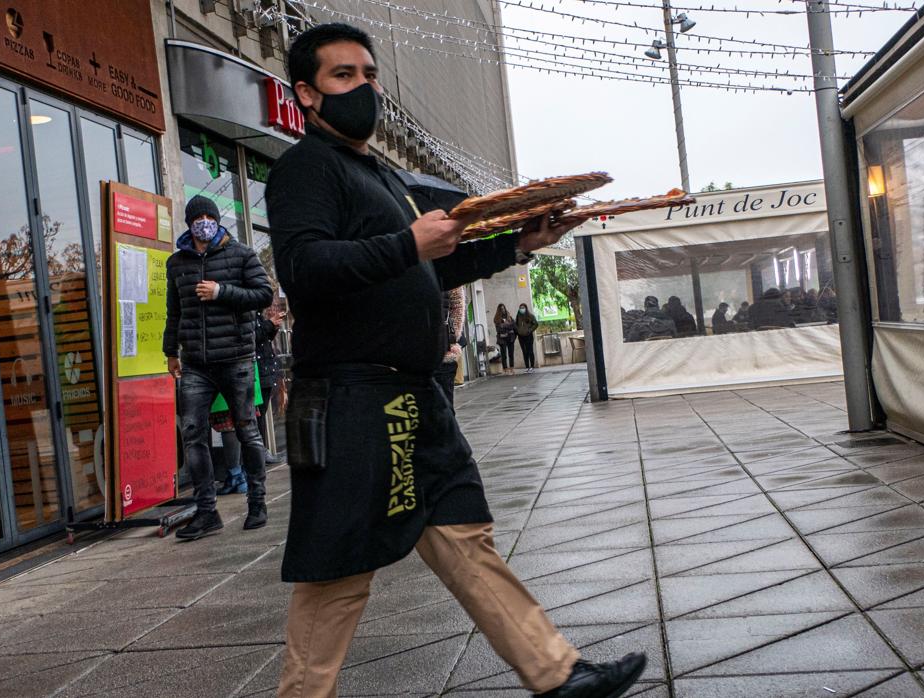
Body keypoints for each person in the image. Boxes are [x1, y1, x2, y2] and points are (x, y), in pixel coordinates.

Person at [267, 23, 645, 698]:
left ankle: (555, 673)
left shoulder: (379, 175)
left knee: (465, 535)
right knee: (340, 574)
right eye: (343, 76)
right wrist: (408, 244)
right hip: (353, 402)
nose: (365, 87)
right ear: (306, 93)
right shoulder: (306, 170)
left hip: (415, 398)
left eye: (369, 73)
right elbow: (304, 269)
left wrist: (524, 243)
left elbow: (430, 269)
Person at [164, 195, 273, 539]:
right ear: (189, 223)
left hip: (236, 358)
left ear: (216, 220)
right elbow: (174, 311)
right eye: (199, 218)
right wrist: (171, 352)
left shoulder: (240, 254)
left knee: (246, 430)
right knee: (193, 433)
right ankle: (207, 512)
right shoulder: (177, 263)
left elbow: (263, 295)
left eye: (210, 216)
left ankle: (257, 502)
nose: (205, 222)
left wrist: (222, 291)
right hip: (196, 363)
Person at [255, 307, 286, 464]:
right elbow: (251, 338)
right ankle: (259, 451)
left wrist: (272, 327)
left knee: (261, 411)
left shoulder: (258, 314)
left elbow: (263, 339)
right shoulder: (248, 314)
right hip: (258, 369)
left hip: (265, 368)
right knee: (257, 414)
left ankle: (262, 449)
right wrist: (269, 324)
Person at [436, 287, 467, 405]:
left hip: (444, 353)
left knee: (445, 405)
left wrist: (451, 338)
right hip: (415, 357)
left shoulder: (443, 274)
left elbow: (457, 305)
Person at [515, 302, 539, 372]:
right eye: (520, 308)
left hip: (528, 336)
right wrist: (517, 331)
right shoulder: (518, 316)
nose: (522, 309)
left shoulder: (530, 316)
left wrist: (530, 330)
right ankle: (527, 367)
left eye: (523, 308)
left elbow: (536, 324)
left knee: (530, 351)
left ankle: (532, 366)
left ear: (526, 308)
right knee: (524, 351)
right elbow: (516, 325)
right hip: (521, 337)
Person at [495, 303, 517, 375]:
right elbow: (498, 329)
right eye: (501, 309)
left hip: (510, 337)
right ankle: (505, 369)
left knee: (511, 353)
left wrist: (504, 325)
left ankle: (512, 368)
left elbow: (513, 325)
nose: (503, 310)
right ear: (499, 310)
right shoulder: (497, 318)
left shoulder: (509, 316)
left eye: (504, 308)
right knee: (504, 354)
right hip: (502, 338)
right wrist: (508, 326)